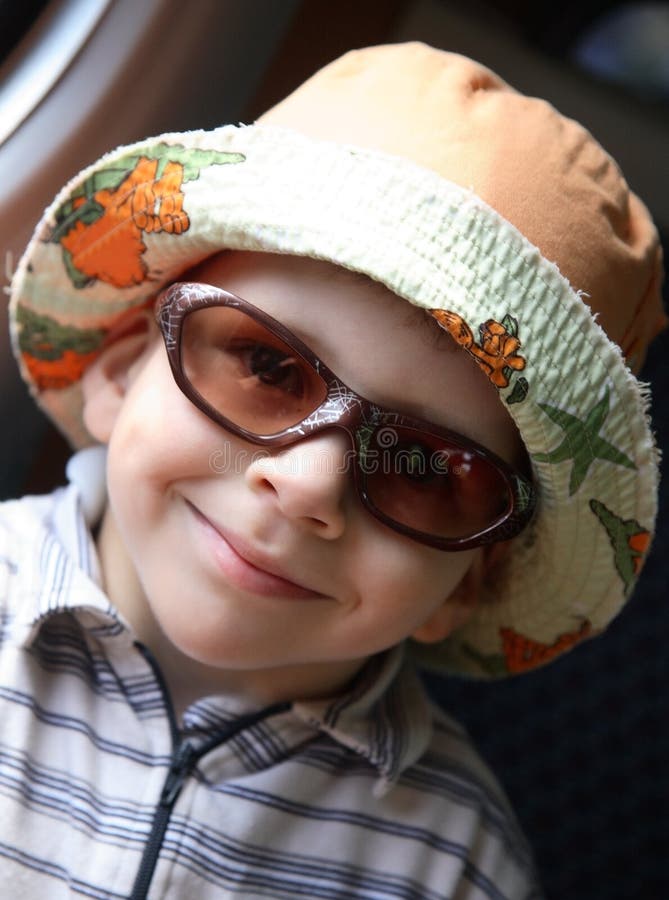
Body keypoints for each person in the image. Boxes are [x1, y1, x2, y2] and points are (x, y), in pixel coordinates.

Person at [2, 42, 664, 899]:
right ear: (122, 370)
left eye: (423, 465)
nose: (309, 484)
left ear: (470, 580)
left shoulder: (450, 862)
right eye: (269, 368)